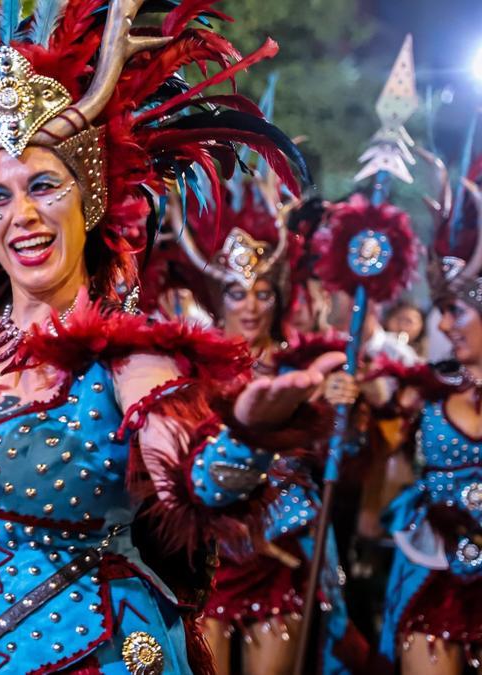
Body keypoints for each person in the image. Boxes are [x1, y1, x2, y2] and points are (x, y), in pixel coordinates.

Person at [0, 0, 344, 671]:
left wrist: (247, 434)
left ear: (88, 196)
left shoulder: (132, 358)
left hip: (96, 652)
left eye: (45, 184)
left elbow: (198, 482)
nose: (26, 214)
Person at [170, 181, 360, 674]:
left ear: (277, 298)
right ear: (219, 299)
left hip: (281, 552)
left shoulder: (304, 368)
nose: (251, 306)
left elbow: (334, 454)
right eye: (237, 293)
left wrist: (341, 409)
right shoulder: (191, 370)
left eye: (261, 293)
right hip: (210, 552)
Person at [375, 163, 482, 675]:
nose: (441, 324)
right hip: (431, 571)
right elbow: (385, 472)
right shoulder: (427, 393)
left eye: (454, 310)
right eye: (438, 309)